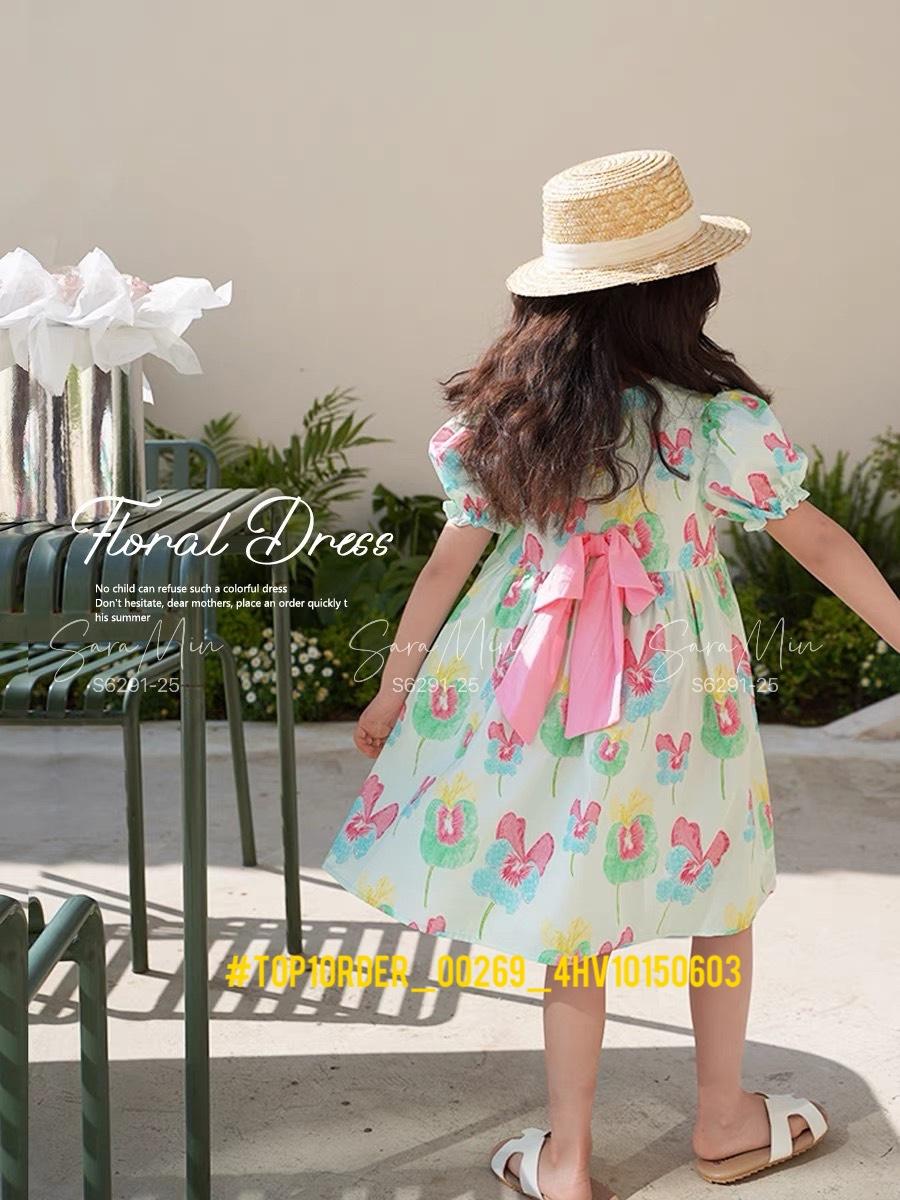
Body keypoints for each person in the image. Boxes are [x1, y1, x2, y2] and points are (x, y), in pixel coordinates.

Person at [323, 150, 900, 1199]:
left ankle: (568, 1159)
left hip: (538, 678)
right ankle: (723, 1119)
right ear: (679, 294)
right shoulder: (716, 420)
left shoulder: (512, 419)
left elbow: (449, 566)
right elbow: (815, 540)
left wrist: (394, 689)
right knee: (720, 887)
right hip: (681, 682)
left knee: (570, 906)